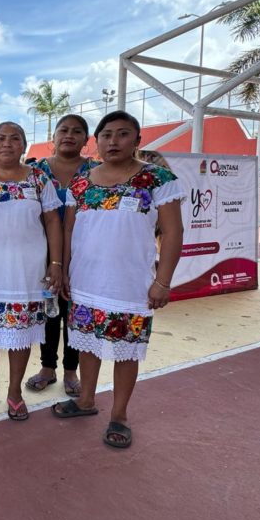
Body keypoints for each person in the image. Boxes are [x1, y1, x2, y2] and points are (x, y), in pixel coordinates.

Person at [52, 112, 183, 450]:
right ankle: (85, 401)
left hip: (131, 286)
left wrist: (163, 282)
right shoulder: (81, 181)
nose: (114, 141)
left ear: (137, 140)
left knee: (126, 352)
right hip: (85, 282)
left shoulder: (157, 178)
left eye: (123, 134)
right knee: (86, 345)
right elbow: (68, 229)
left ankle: (120, 415)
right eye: (107, 135)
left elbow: (172, 232)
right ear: (96, 142)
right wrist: (65, 270)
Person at [0, 122, 63, 421]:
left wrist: (55, 264)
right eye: (0, 138)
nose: (7, 143)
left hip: (27, 274)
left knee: (21, 335)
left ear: (23, 145)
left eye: (14, 139)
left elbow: (53, 223)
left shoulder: (39, 180)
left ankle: (15, 392)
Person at [27, 114, 97, 397]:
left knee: (74, 312)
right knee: (48, 312)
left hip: (83, 254)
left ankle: (71, 370)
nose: (69, 135)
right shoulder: (35, 171)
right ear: (53, 137)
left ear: (86, 139)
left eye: (77, 131)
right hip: (42, 254)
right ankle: (47, 367)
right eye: (63, 130)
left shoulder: (95, 173)